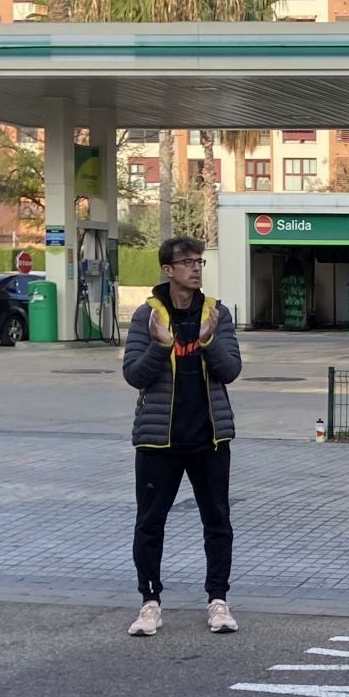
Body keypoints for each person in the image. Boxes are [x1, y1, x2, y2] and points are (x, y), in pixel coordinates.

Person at [123, 236, 242, 636]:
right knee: (150, 523)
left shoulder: (218, 314)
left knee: (218, 522)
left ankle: (218, 601)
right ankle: (150, 603)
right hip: (159, 441)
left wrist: (207, 340)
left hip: (209, 438)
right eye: (187, 262)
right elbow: (134, 375)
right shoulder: (147, 317)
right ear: (168, 269)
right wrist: (160, 347)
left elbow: (231, 370)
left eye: (200, 262)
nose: (195, 268)